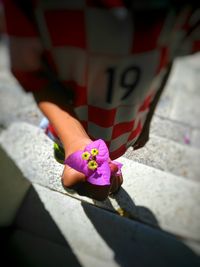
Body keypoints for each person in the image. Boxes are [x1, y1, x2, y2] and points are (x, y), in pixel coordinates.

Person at [2, 0, 200, 200]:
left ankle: (67, 152)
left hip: (121, 125)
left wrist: (147, 121)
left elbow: (165, 63)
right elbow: (34, 75)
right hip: (71, 122)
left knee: (76, 151)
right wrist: (75, 142)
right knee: (64, 147)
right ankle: (65, 152)